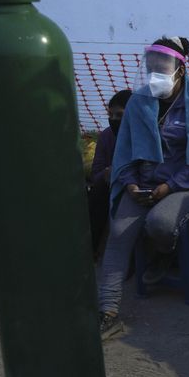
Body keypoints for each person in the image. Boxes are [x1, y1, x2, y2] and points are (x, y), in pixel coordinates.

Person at [97, 37, 189, 340]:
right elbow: (125, 151)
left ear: (179, 70)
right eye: (150, 68)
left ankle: (165, 253)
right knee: (119, 232)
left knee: (160, 223)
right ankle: (107, 313)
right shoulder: (139, 102)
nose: (154, 76)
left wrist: (169, 186)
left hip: (185, 186)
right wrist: (131, 182)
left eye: (161, 69)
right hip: (143, 183)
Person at [87, 89, 132, 254]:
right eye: (111, 115)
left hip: (134, 189)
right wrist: (105, 174)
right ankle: (91, 251)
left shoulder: (143, 135)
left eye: (119, 115)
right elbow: (95, 173)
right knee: (97, 193)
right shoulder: (107, 136)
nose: (113, 120)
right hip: (109, 187)